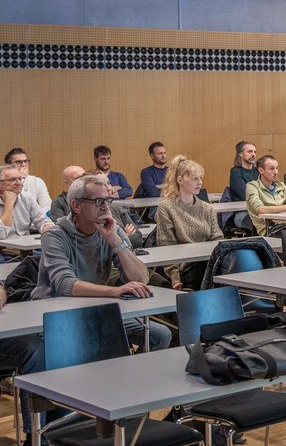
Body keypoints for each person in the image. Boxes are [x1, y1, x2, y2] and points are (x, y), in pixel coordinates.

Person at [0, 174, 171, 437]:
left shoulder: (107, 230)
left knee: (160, 335)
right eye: (99, 201)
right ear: (77, 206)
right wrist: (114, 291)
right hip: (56, 314)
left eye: (108, 200)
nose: (106, 207)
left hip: (98, 311)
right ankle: (38, 435)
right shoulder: (55, 236)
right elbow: (64, 285)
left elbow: (141, 278)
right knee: (40, 353)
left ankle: (123, 404)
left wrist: (115, 240)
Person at [155, 156, 223, 290]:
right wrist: (175, 278)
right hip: (185, 268)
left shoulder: (206, 208)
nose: (200, 182)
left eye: (200, 178)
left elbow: (217, 240)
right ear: (180, 180)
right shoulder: (166, 207)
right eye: (195, 178)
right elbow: (167, 245)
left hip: (207, 262)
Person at [246, 155, 286, 235]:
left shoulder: (281, 185)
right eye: (272, 169)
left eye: (277, 168)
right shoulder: (252, 186)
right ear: (261, 170)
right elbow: (261, 210)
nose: (276, 172)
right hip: (269, 229)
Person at [0, 164, 54, 242]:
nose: (19, 183)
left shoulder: (27, 198)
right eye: (12, 180)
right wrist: (9, 203)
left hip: (26, 250)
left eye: (20, 179)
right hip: (3, 251)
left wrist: (50, 229)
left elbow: (41, 220)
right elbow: (1, 234)